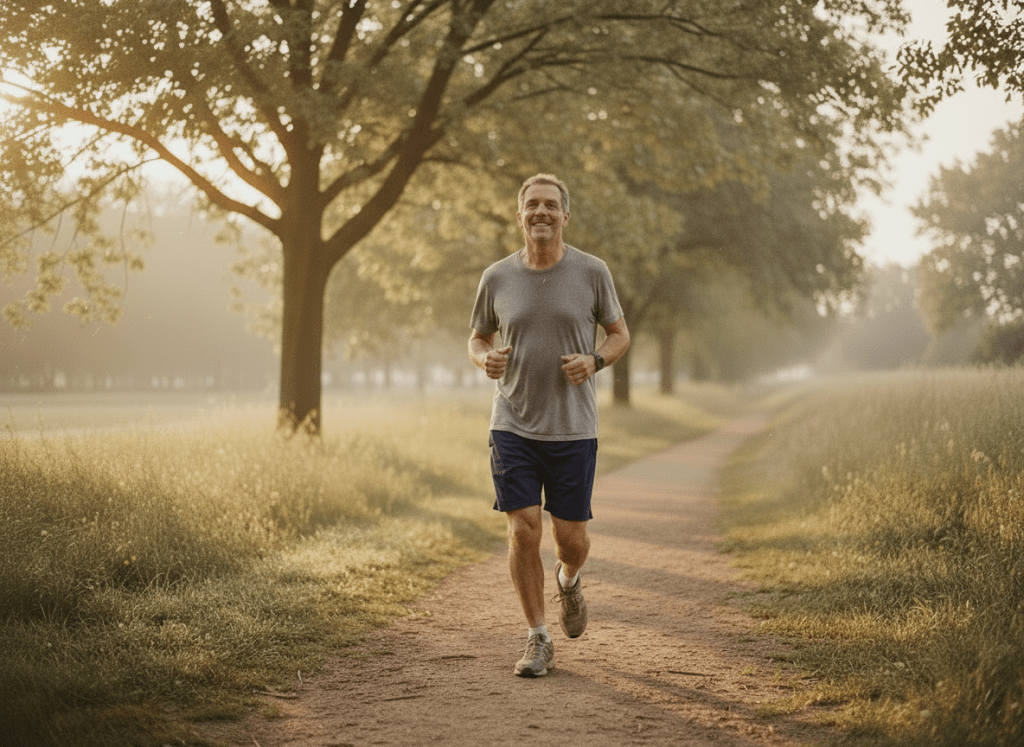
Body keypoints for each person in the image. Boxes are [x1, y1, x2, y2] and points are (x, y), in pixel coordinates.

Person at [468, 173, 630, 677]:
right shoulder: (496, 277)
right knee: (522, 529)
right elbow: (476, 338)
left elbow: (619, 334)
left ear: (565, 215)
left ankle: (569, 580)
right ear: (519, 216)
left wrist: (595, 361)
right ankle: (538, 638)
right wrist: (485, 359)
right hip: (512, 423)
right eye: (531, 205)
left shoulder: (592, 271)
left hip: (573, 427)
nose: (540, 212)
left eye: (550, 205)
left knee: (572, 539)